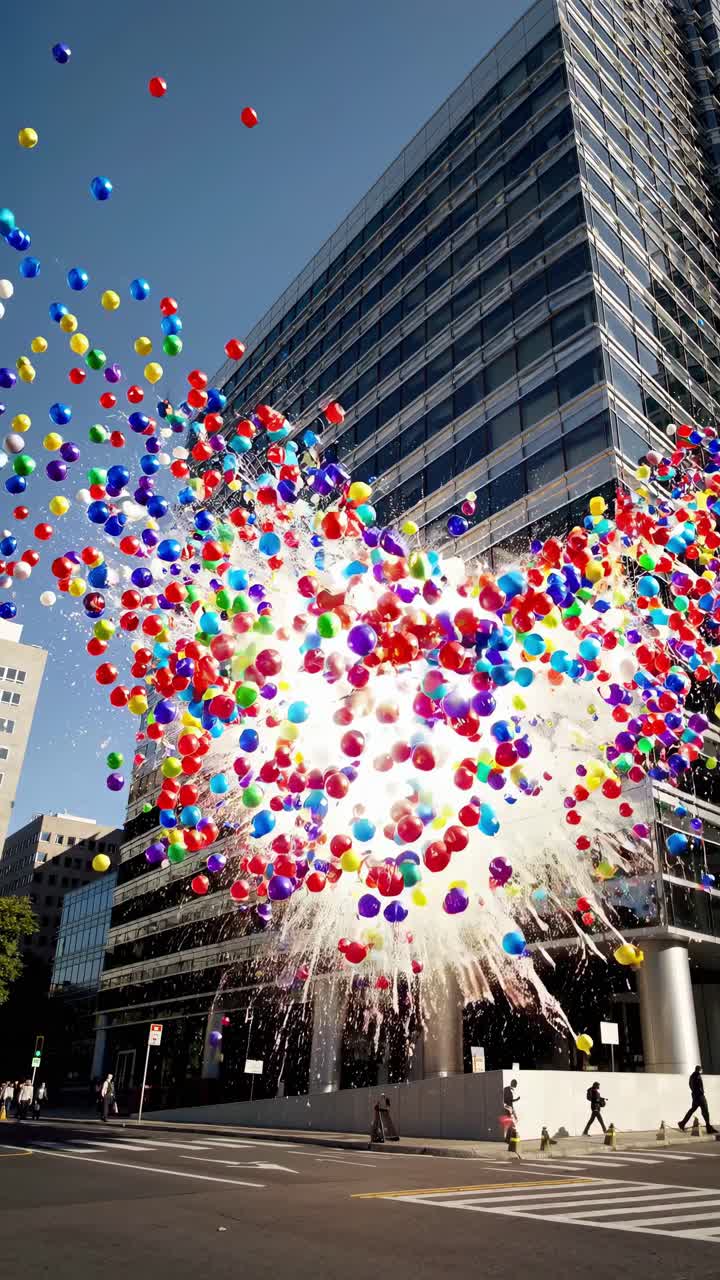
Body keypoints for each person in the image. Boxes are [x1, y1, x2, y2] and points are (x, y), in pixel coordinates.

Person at [679, 1065, 716, 1134]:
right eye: (701, 1070)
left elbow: (690, 1085)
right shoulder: (698, 1076)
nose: (701, 1071)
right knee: (705, 1111)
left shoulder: (691, 1076)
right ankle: (708, 1127)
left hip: (695, 1096)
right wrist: (701, 1092)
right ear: (700, 1070)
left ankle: (682, 1123)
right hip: (700, 1096)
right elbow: (699, 1086)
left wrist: (694, 1092)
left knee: (692, 1109)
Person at [503, 1078, 520, 1143]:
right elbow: (507, 1100)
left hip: (510, 1108)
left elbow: (510, 1101)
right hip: (508, 1109)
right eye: (515, 1085)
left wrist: (516, 1099)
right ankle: (508, 1139)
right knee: (511, 1125)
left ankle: (507, 1139)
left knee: (511, 1125)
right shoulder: (507, 1089)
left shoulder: (508, 1090)